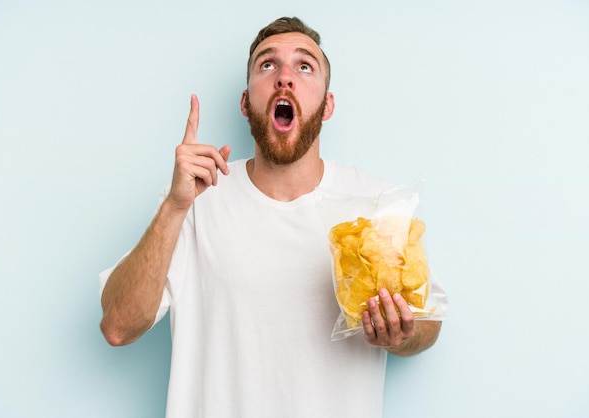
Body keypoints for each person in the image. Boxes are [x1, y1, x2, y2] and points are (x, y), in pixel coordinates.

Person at [99, 16, 445, 417]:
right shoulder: (195, 200)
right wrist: (174, 207)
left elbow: (429, 323)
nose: (285, 78)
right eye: (267, 65)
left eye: (304, 66)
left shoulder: (374, 202)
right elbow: (118, 326)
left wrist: (401, 334)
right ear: (246, 103)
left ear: (327, 104)